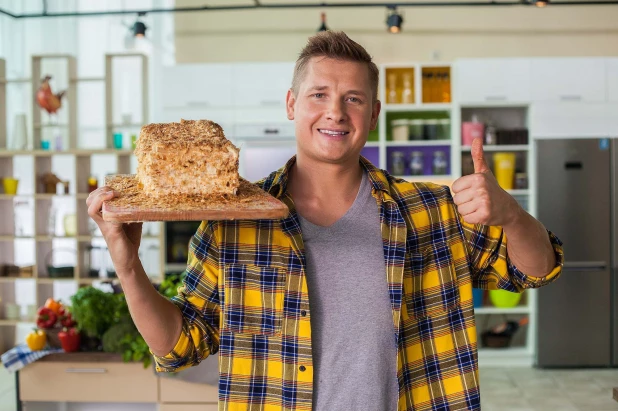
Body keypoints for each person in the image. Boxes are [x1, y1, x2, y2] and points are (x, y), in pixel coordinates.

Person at [87, 31, 564, 411]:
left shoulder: (431, 212)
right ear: (293, 104)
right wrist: (126, 264)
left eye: (354, 99)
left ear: (373, 113)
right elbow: (179, 345)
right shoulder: (231, 221)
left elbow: (536, 269)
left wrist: (513, 216)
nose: (335, 111)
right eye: (319, 94)